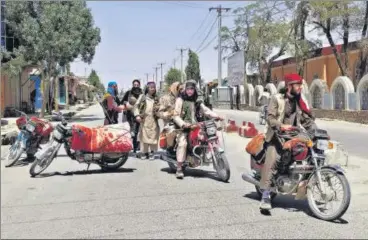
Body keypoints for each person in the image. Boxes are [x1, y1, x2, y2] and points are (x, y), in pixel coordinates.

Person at [260, 73, 317, 210]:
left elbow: (307, 121)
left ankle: (305, 185)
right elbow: (270, 118)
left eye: (300, 85)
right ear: (289, 86)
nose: (300, 87)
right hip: (276, 136)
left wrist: (317, 132)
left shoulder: (299, 102)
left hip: (292, 136)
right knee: (273, 159)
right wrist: (281, 125)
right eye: (297, 85)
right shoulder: (277, 99)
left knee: (311, 151)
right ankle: (265, 196)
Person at [172, 80, 224, 179]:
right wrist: (183, 124)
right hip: (184, 128)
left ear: (194, 90)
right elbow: (175, 115)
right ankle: (179, 168)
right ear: (185, 90)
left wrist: (217, 116)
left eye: (192, 89)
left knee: (207, 138)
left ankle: (208, 157)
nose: (190, 91)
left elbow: (206, 111)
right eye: (188, 89)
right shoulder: (180, 100)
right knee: (183, 143)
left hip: (196, 125)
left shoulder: (197, 100)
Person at [134, 81, 160, 160]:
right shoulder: (142, 97)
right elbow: (136, 106)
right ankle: (144, 152)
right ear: (147, 88)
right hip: (144, 119)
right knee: (143, 136)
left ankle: (152, 152)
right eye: (151, 87)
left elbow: (160, 107)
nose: (152, 89)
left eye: (154, 87)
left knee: (153, 135)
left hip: (153, 119)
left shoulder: (156, 98)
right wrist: (137, 115)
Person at [156, 82, 183, 151]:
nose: (181, 90)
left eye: (182, 89)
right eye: (179, 89)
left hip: (183, 122)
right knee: (172, 133)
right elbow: (159, 113)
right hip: (170, 123)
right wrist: (169, 113)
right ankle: (170, 149)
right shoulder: (165, 99)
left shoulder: (184, 98)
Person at [122, 79, 143, 153]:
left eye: (137, 85)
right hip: (129, 115)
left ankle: (135, 148)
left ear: (139, 85)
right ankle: (128, 146)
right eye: (135, 85)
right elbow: (122, 101)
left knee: (137, 132)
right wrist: (126, 103)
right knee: (129, 131)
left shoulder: (142, 93)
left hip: (138, 115)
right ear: (133, 85)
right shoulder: (128, 93)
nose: (136, 86)